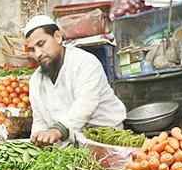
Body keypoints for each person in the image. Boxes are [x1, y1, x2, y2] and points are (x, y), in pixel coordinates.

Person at [24, 15, 127, 146]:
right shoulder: (36, 80)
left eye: (41, 44)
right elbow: (40, 120)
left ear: (57, 37)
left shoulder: (84, 62)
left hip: (107, 139)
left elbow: (85, 104)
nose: (38, 54)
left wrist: (57, 131)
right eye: (32, 50)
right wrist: (38, 138)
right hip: (70, 145)